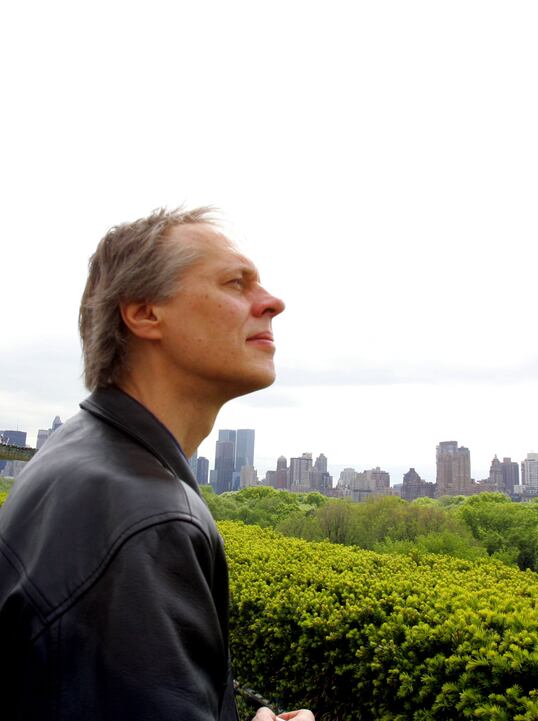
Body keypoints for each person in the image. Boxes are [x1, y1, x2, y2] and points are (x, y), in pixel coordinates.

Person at [0, 208, 314, 721]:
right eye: (237, 283)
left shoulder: (82, 452)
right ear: (145, 314)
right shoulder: (144, 519)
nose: (273, 302)